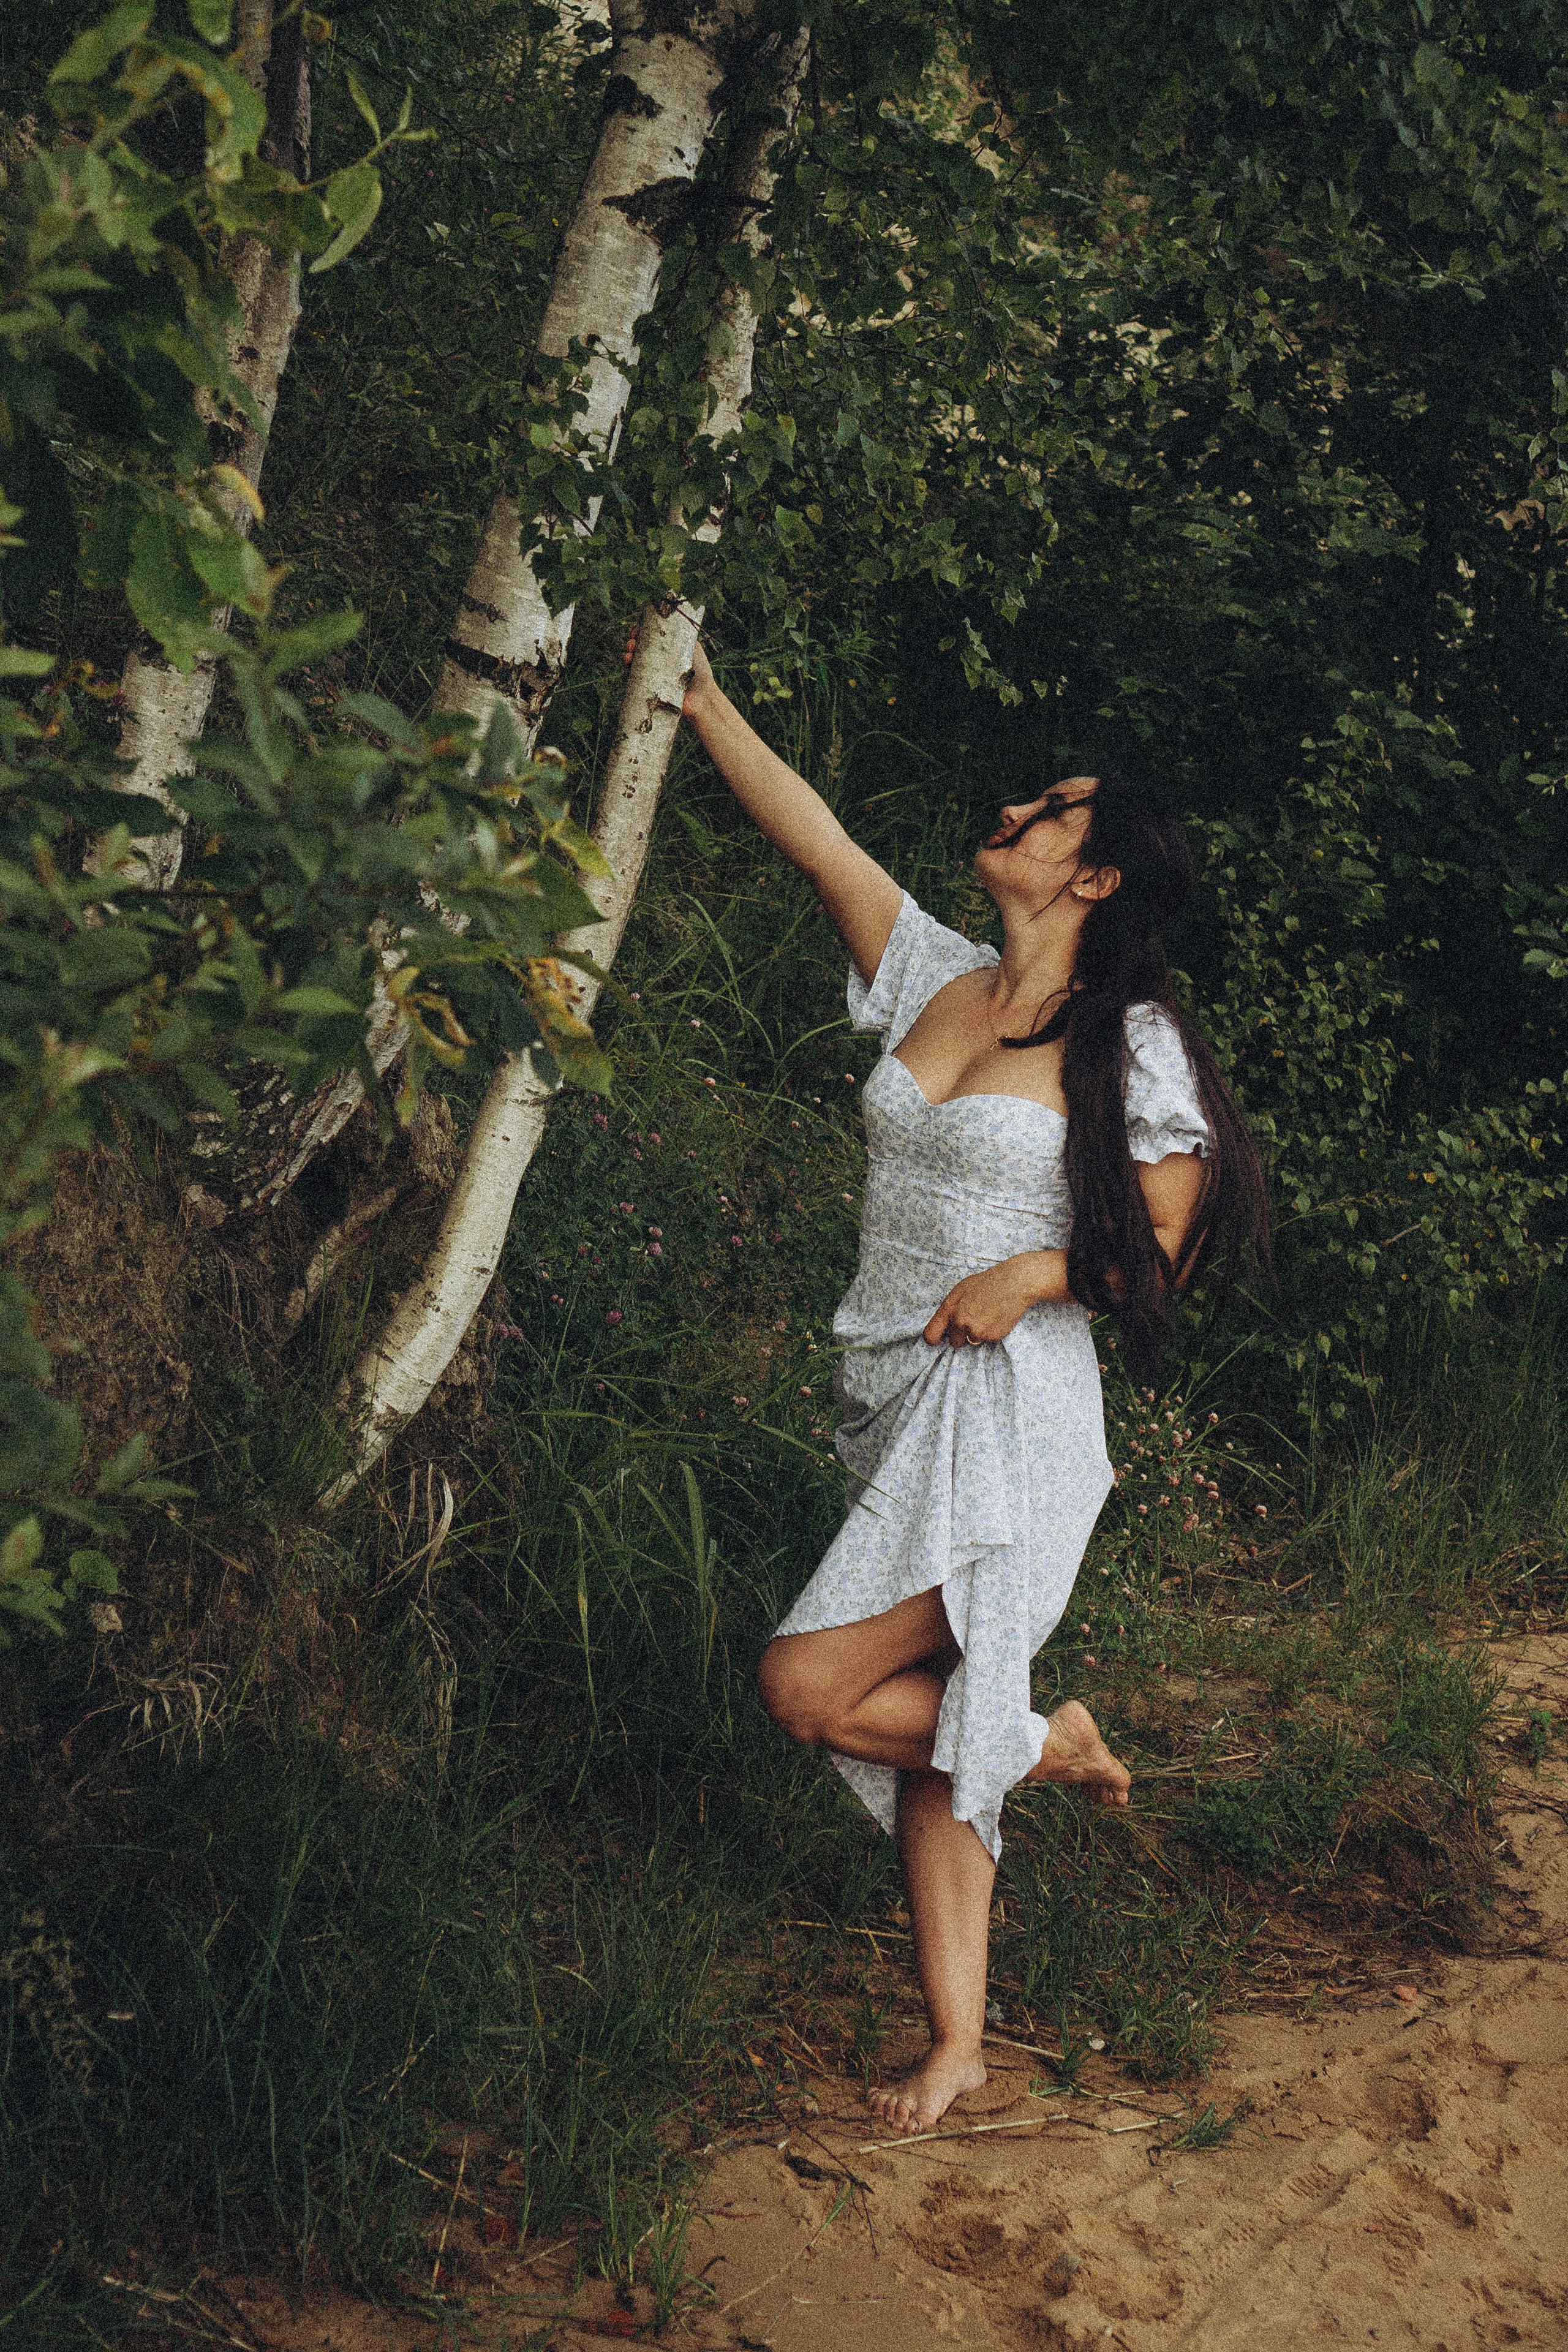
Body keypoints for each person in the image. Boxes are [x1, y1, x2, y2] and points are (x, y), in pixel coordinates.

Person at [670, 639, 1268, 2137]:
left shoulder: (1125, 1045)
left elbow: (1161, 1259)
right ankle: (958, 2043)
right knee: (929, 1718)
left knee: (806, 1690)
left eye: (1053, 809)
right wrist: (698, 698)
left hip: (1006, 1412)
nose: (1017, 810)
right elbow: (816, 834)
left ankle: (1048, 1745)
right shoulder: (935, 977)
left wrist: (1030, 1276)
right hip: (887, 1391)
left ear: (1097, 878)